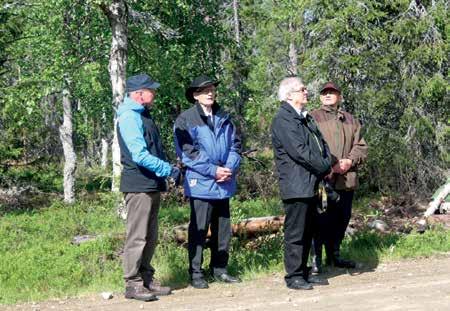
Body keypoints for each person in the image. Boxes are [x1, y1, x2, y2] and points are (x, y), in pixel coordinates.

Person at [117, 73, 181, 301]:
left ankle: (146, 278)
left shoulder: (142, 114)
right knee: (137, 236)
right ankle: (132, 284)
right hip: (138, 185)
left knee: (150, 236)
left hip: (150, 184)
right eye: (150, 90)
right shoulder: (129, 117)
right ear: (138, 94)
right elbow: (139, 155)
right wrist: (169, 170)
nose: (154, 94)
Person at [174, 75, 241, 289]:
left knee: (222, 229)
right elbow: (188, 153)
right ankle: (196, 273)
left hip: (224, 182)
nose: (210, 93)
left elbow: (235, 146)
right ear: (195, 96)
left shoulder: (225, 116)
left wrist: (229, 168)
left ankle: (220, 269)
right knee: (199, 230)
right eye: (204, 91)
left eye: (212, 89)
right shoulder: (185, 120)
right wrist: (213, 171)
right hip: (201, 183)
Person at [271, 76, 332, 290]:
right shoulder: (283, 119)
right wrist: (325, 166)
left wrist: (328, 160)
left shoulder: (303, 118)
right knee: (296, 232)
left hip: (310, 183)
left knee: (308, 230)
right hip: (296, 185)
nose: (306, 92)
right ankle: (294, 275)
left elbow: (318, 144)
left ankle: (304, 271)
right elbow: (300, 152)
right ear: (289, 95)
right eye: (302, 89)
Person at [310, 81, 368, 272]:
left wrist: (349, 161)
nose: (327, 95)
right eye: (324, 92)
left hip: (346, 179)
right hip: (323, 180)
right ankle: (315, 260)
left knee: (342, 218)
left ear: (339, 96)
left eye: (332, 92)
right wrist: (330, 165)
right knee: (320, 220)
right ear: (320, 97)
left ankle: (334, 255)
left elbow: (361, 146)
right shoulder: (312, 117)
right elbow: (309, 147)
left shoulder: (351, 120)